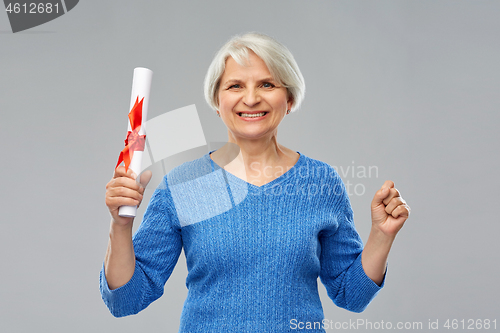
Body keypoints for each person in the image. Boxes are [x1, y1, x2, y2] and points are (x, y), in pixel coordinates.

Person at [100, 32, 411, 332]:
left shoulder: (321, 182)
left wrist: (381, 236)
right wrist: (120, 225)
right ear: (217, 100)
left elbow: (351, 295)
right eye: (235, 85)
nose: (251, 98)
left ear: (288, 98)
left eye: (267, 84)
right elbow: (126, 300)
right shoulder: (183, 185)